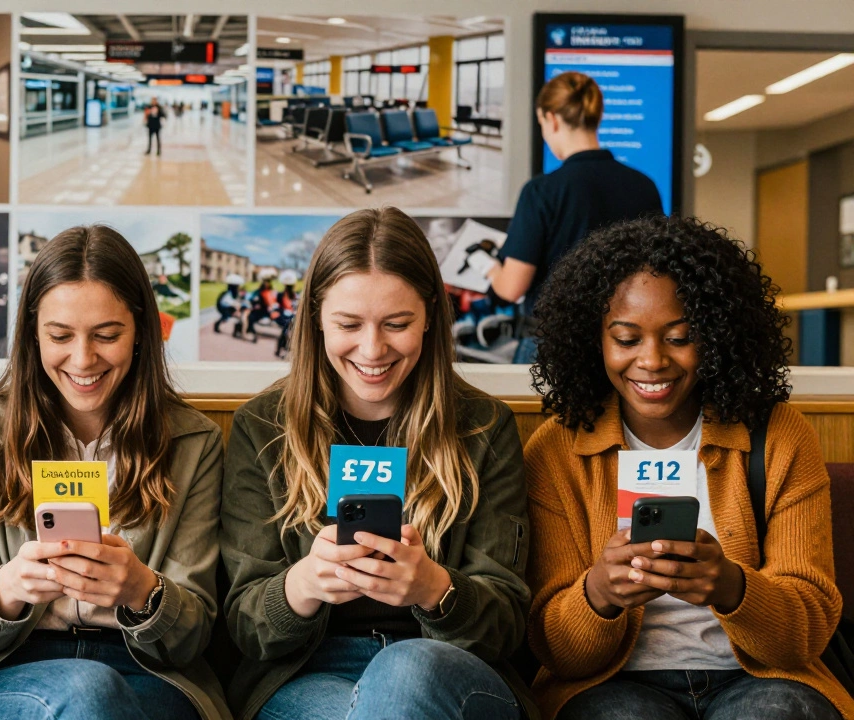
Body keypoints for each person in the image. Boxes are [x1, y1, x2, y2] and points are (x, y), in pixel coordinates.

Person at [524, 215, 854, 720]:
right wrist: (598, 593)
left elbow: (806, 632)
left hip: (757, 679)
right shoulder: (558, 450)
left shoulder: (778, 435)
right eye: (627, 338)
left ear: (718, 335)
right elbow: (555, 651)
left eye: (680, 337)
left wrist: (730, 586)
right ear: (594, 340)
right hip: (612, 685)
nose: (652, 361)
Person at [221, 207, 534, 720]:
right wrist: (303, 584)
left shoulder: (483, 427)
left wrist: (436, 589)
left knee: (404, 671)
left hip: (449, 665)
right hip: (307, 672)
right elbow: (245, 627)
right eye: (348, 324)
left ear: (430, 315)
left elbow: (506, 629)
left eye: (397, 324)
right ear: (316, 316)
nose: (373, 349)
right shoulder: (264, 427)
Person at [0, 225, 229, 720]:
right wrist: (9, 588)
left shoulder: (191, 442)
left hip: (149, 672)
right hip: (9, 666)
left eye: (107, 335)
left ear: (140, 334)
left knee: (97, 691)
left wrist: (143, 593)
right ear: (32, 335)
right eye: (60, 336)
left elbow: (193, 636)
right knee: (88, 691)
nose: (83, 359)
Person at [486, 71, 663, 364]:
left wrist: (491, 269)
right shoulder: (644, 186)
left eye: (542, 124)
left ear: (552, 119)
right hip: (623, 344)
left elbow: (511, 287)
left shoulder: (541, 192)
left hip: (553, 346)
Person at [244, 271, 277, 344]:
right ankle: (251, 332)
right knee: (250, 318)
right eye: (266, 282)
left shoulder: (270, 291)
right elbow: (252, 299)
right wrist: (255, 304)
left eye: (268, 282)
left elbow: (272, 301)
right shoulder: (259, 291)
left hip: (265, 310)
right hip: (259, 310)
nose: (267, 283)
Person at [272, 270, 299, 360]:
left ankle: (281, 350)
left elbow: (296, 306)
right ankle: (281, 350)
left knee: (286, 333)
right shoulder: (281, 295)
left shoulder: (295, 296)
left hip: (292, 317)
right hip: (284, 317)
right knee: (285, 333)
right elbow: (277, 306)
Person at [214, 273, 247, 338]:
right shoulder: (229, 294)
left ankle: (235, 331)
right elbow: (230, 302)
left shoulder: (233, 293)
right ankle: (236, 332)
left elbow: (236, 301)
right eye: (237, 286)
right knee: (238, 316)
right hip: (224, 308)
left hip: (227, 308)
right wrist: (237, 305)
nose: (238, 287)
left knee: (229, 316)